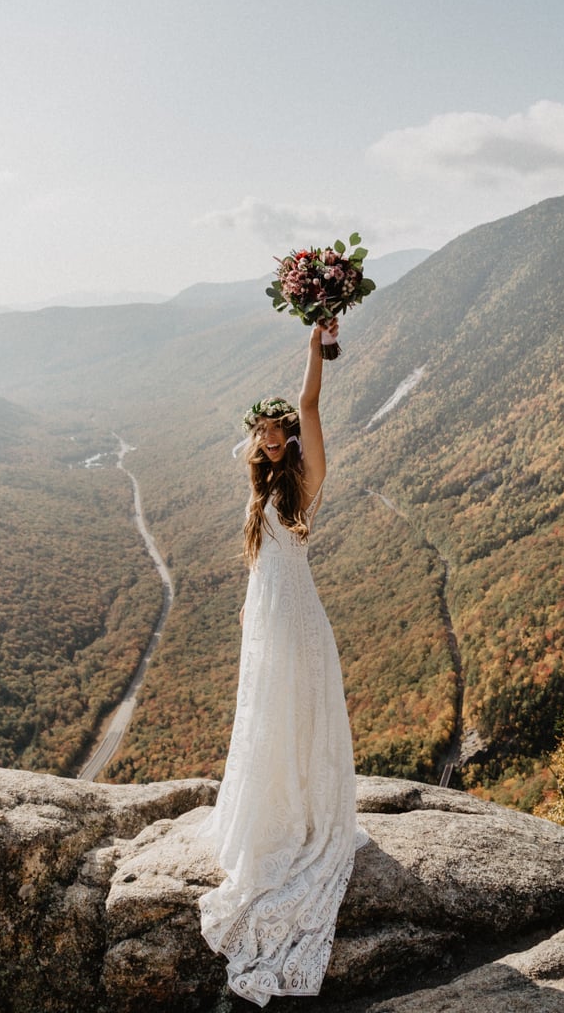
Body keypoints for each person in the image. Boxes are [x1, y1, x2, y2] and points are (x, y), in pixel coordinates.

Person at [199, 318, 367, 1007]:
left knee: (293, 708)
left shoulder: (305, 474)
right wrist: (245, 610)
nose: (271, 437)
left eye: (278, 429)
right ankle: (275, 803)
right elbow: (257, 557)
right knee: (265, 712)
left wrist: (314, 347)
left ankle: (300, 816)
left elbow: (311, 406)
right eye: (262, 430)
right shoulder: (261, 478)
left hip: (295, 614)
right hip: (265, 614)